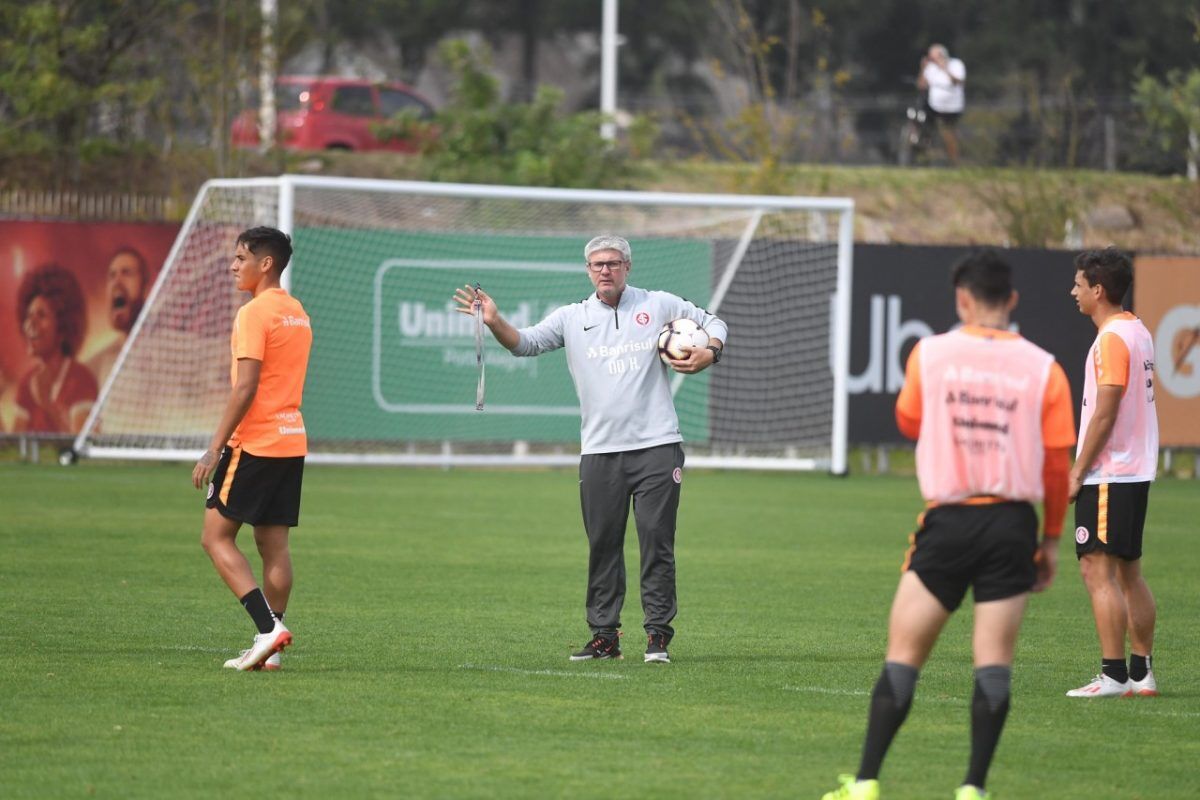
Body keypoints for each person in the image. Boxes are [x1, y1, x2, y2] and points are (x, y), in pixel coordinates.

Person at [821, 250, 1075, 800]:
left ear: (962, 299)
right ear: (1011, 300)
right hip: (1013, 525)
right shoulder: (1044, 366)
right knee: (994, 666)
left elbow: (908, 419)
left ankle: (865, 782)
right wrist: (1051, 537)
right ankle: (973, 789)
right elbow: (1058, 463)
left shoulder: (930, 353)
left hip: (949, 521)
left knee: (903, 655)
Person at [452, 235, 727, 664]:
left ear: (627, 267)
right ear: (587, 270)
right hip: (600, 451)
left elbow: (715, 322)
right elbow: (523, 344)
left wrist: (710, 351)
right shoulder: (571, 318)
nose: (605, 270)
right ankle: (605, 637)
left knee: (657, 541)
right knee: (603, 543)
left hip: (657, 446)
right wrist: (493, 320)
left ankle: (657, 636)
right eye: (598, 264)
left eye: (614, 263)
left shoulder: (659, 305)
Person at [191, 227, 312, 672]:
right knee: (273, 543)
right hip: (290, 439)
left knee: (214, 537)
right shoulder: (297, 313)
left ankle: (268, 630)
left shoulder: (254, 313)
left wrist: (212, 449)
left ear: (266, 264)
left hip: (255, 441)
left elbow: (245, 388)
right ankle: (270, 647)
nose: (232, 265)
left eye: (241, 257)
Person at [1065, 247, 1159, 698]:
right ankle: (1141, 673)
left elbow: (1105, 409)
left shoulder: (1110, 339)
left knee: (1096, 571)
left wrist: (1078, 470)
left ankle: (1114, 674)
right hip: (1134, 470)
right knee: (1129, 574)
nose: (1074, 292)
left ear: (1098, 290)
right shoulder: (1138, 330)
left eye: (1079, 285)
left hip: (1109, 472)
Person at [13, 264, 99, 434]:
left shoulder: (81, 379)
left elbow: (81, 448)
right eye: (29, 316)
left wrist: (47, 403)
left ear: (62, 325)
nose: (31, 324)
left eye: (41, 315)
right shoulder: (26, 384)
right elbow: (12, 451)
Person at [86, 246, 151, 388]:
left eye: (127, 273)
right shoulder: (94, 367)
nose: (117, 281)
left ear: (145, 288)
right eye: (112, 276)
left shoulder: (173, 351)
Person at [917, 43, 966, 164]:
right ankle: (924, 157)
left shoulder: (956, 64)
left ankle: (954, 160)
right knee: (925, 129)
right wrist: (923, 68)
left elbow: (957, 82)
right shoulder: (930, 68)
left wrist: (945, 68)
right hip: (934, 105)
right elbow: (921, 85)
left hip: (952, 107)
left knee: (949, 133)